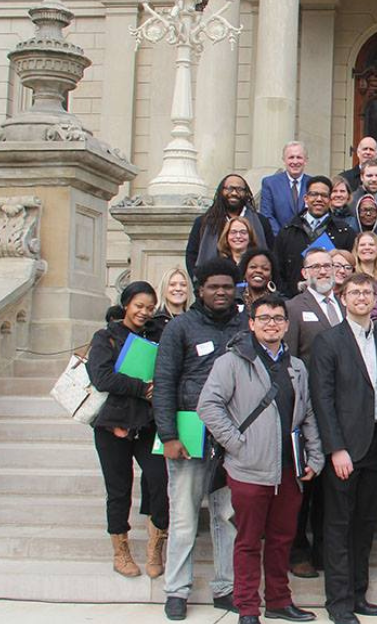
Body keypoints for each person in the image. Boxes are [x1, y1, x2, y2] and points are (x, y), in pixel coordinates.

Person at [197, 293, 325, 624]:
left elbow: (307, 413)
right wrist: (237, 443)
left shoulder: (296, 366)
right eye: (264, 318)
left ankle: (280, 601)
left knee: (282, 540)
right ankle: (248, 607)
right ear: (252, 323)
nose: (272, 324)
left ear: (286, 324)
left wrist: (315, 454)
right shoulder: (232, 362)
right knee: (249, 541)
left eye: (278, 319)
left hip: (288, 468)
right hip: (248, 469)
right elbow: (208, 406)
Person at [154, 258, 247, 620]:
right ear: (201, 289)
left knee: (227, 515)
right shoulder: (180, 328)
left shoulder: (244, 325)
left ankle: (225, 586)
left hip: (232, 437)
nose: (221, 292)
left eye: (227, 286)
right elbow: (164, 383)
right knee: (183, 517)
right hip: (190, 434)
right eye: (214, 287)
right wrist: (168, 436)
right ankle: (177, 590)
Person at [310, 273, 377, 624]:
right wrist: (335, 448)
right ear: (342, 298)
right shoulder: (327, 341)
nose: (362, 297)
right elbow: (322, 398)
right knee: (338, 526)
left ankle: (359, 594)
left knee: (364, 524)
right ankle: (339, 603)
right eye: (355, 292)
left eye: (369, 291)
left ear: (376, 298)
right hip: (345, 448)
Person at [88, 281, 168, 580]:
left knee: (160, 479)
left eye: (149, 307)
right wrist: (142, 388)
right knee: (118, 489)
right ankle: (120, 550)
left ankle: (156, 545)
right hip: (113, 424)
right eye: (139, 306)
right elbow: (102, 377)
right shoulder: (105, 337)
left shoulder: (158, 335)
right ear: (126, 305)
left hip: (148, 424)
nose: (144, 312)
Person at [283, 249, 345, 578]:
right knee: (303, 487)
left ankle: (323, 549)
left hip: (338, 409)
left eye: (328, 265)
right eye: (316, 266)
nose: (323, 271)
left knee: (329, 491)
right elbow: (289, 360)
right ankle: (297, 551)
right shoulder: (294, 308)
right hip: (306, 410)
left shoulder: (344, 305)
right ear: (305, 272)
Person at [274, 175, 357, 297]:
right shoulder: (287, 232)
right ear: (306, 198)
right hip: (292, 301)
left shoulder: (345, 232)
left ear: (330, 200)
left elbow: (351, 271)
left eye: (324, 195)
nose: (319, 199)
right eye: (314, 194)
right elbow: (278, 271)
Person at [259, 141, 312, 236]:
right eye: (291, 157)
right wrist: (282, 237)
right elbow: (267, 215)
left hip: (308, 241)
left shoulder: (313, 184)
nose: (295, 162)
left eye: (299, 157)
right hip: (279, 241)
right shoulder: (270, 183)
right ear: (284, 160)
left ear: (306, 160)